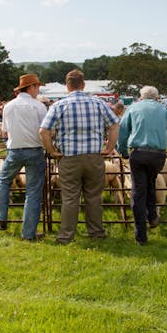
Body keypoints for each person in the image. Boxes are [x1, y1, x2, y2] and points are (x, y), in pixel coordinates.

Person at [39, 69, 119, 244]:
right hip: (94, 157)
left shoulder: (59, 105)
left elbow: (43, 131)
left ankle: (66, 235)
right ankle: (96, 232)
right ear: (83, 85)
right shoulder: (98, 103)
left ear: (67, 86)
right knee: (94, 196)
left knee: (69, 198)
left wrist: (52, 151)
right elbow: (114, 125)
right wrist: (109, 148)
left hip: (69, 158)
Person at [116, 86, 167, 245]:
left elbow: (123, 131)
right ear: (156, 97)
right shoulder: (164, 109)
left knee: (139, 192)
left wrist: (123, 151)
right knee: (151, 183)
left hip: (138, 154)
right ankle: (152, 216)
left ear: (141, 97)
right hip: (158, 155)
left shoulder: (132, 108)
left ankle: (141, 235)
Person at [0, 74, 48, 241]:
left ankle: (1, 216)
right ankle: (28, 234)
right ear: (31, 87)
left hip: (15, 151)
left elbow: (5, 131)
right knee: (33, 192)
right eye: (37, 87)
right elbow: (45, 130)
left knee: (4, 180)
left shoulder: (9, 106)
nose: (38, 90)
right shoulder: (39, 106)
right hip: (35, 150)